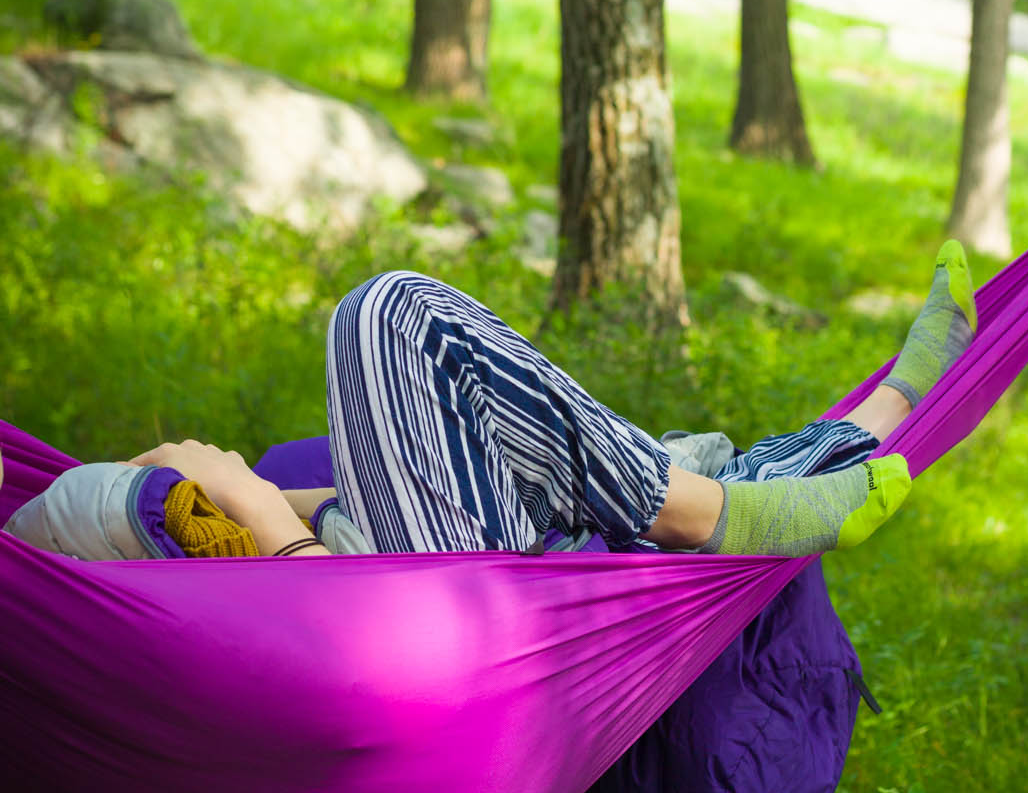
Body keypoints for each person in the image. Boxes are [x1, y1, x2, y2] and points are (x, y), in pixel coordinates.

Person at [4, 242, 977, 565]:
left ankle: (892, 398)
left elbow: (312, 514)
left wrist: (261, 493)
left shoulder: (105, 513)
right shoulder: (56, 549)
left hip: (396, 551)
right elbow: (301, 615)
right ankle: (712, 509)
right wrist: (245, 499)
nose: (194, 452)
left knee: (569, 449)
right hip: (398, 605)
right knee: (384, 312)